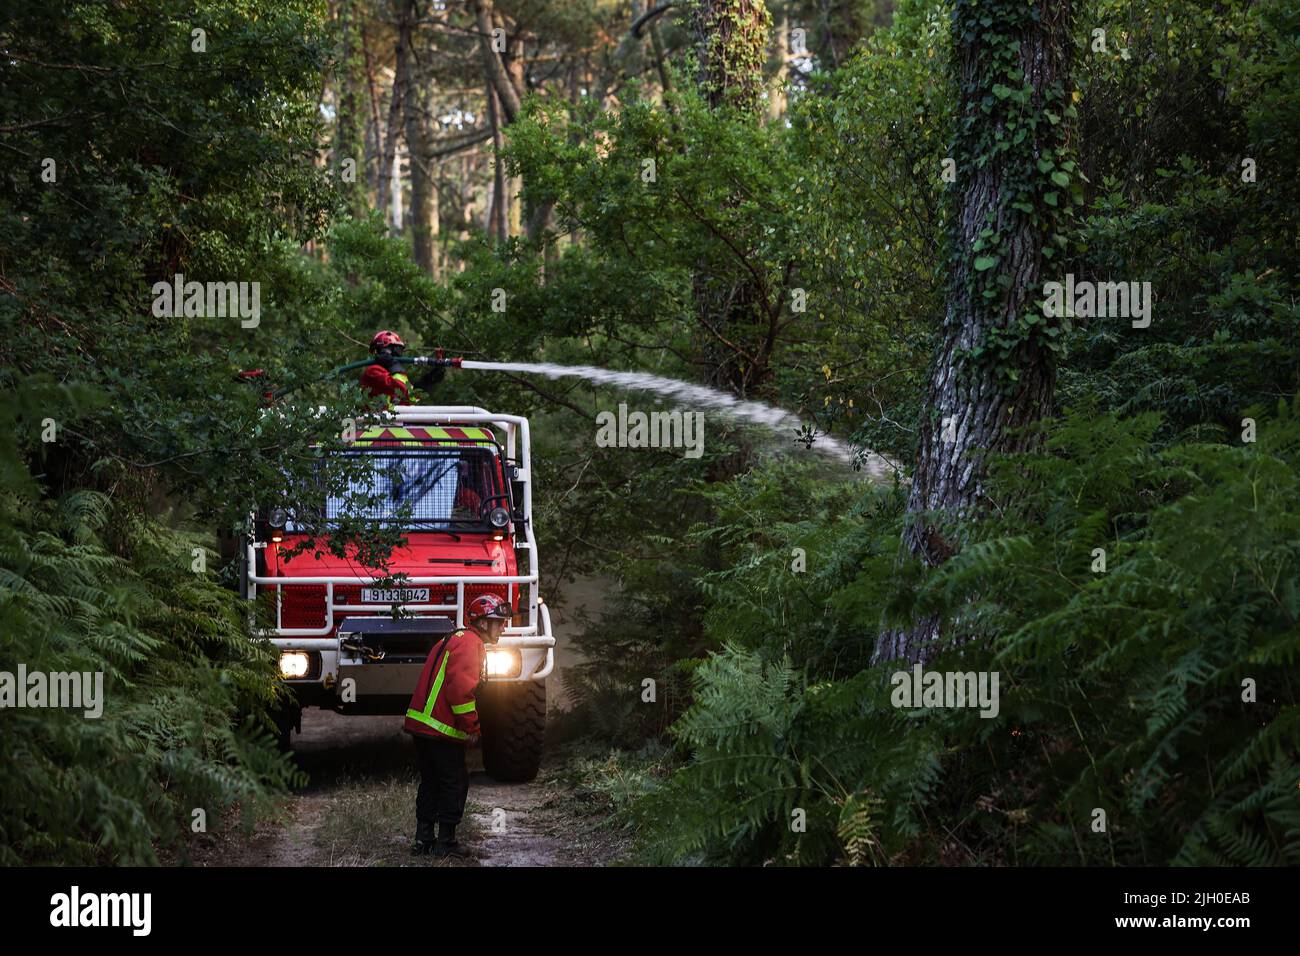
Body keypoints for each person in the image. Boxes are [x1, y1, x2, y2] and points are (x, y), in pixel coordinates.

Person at [404, 592, 511, 857]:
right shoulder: (469, 645)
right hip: (440, 729)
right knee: (455, 783)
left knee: (430, 783)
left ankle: (424, 839)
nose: (503, 627)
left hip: (422, 726)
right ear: (483, 623)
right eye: (499, 622)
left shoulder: (455, 638)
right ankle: (447, 844)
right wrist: (472, 728)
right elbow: (460, 694)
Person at [359, 330, 443, 405]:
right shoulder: (373, 372)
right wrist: (393, 365)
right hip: (376, 421)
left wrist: (429, 380)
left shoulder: (390, 375)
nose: (399, 355)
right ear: (386, 350)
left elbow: (410, 398)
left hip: (389, 421)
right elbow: (401, 391)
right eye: (397, 350)